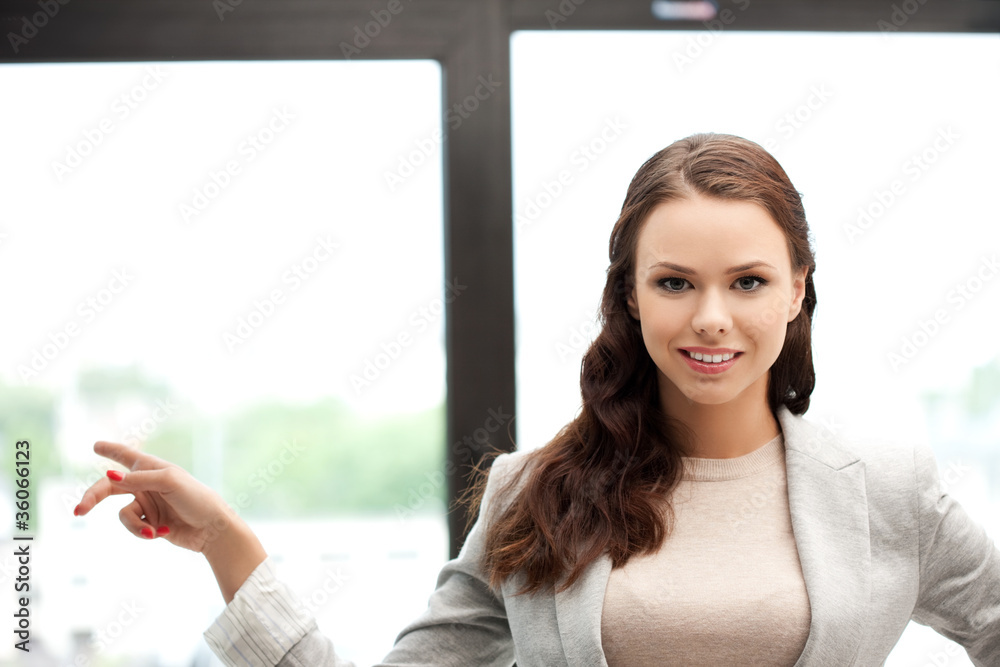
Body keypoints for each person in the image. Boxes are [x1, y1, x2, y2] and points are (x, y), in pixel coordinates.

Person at [74, 133, 1000, 666]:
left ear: (798, 288)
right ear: (630, 294)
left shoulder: (887, 486)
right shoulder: (538, 491)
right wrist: (230, 544)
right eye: (675, 282)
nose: (711, 318)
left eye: (748, 282)